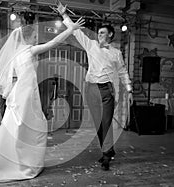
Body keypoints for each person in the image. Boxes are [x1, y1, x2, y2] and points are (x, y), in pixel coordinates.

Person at [0, 17, 85, 182]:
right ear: (26, 38)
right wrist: (70, 29)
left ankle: (19, 162)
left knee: (19, 129)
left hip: (21, 93)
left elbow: (12, 77)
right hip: (25, 95)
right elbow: (53, 43)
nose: (36, 39)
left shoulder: (15, 54)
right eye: (34, 37)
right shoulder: (28, 50)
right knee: (32, 128)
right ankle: (23, 164)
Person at [55, 1, 133, 170]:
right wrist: (64, 15)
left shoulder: (116, 53)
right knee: (98, 123)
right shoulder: (90, 45)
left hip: (106, 90)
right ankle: (108, 150)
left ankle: (106, 155)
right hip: (91, 89)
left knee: (106, 122)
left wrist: (128, 89)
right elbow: (76, 33)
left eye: (103, 33)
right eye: (98, 33)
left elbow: (122, 72)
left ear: (111, 35)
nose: (99, 35)